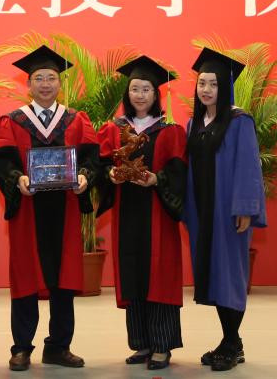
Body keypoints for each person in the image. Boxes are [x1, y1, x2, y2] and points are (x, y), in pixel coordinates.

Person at [0, 45, 100, 371]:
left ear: (59, 83)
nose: (45, 84)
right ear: (28, 84)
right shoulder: (13, 121)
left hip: (65, 210)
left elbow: (92, 158)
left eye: (51, 78)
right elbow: (2, 161)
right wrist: (17, 179)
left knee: (64, 278)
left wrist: (85, 176)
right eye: (39, 78)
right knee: (25, 276)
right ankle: (22, 347)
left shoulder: (76, 120)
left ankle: (58, 347)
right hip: (28, 211)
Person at [96, 55, 187, 371]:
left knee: (159, 273)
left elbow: (178, 173)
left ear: (155, 93)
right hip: (127, 214)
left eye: (146, 89)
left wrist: (156, 180)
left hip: (158, 212)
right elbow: (101, 163)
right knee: (133, 271)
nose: (140, 95)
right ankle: (142, 343)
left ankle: (162, 346)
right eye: (135, 88)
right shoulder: (115, 129)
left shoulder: (170, 131)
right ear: (128, 92)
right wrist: (108, 175)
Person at [184, 47, 267, 372]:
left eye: (214, 84)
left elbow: (248, 166)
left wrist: (245, 208)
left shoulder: (238, 120)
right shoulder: (194, 123)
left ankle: (231, 343)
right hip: (202, 211)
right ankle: (231, 340)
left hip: (228, 212)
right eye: (202, 83)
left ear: (225, 87)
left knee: (230, 274)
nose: (206, 89)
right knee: (213, 275)